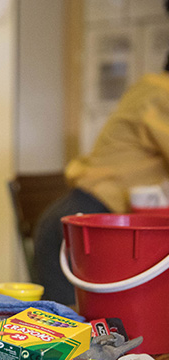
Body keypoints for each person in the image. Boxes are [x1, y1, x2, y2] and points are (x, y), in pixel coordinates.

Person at [33, 65, 169, 305]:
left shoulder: (150, 85)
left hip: (82, 216)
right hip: (89, 222)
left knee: (68, 328)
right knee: (66, 328)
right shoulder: (161, 92)